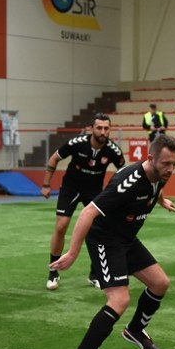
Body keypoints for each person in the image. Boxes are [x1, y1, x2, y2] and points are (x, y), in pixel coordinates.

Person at [52, 134, 175, 349]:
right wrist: (72, 253)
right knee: (119, 299)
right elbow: (88, 212)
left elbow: (156, 187)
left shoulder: (159, 175)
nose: (170, 169)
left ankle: (135, 330)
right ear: (150, 158)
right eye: (166, 163)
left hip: (126, 239)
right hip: (105, 239)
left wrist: (162, 201)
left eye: (174, 163)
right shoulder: (129, 181)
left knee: (160, 283)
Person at [41, 114, 126, 291]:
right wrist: (46, 184)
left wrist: (118, 195)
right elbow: (54, 158)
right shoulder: (76, 143)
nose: (103, 132)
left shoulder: (114, 151)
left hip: (94, 192)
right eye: (99, 128)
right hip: (71, 188)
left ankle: (94, 274)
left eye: (106, 128)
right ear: (91, 129)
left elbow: (123, 173)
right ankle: (53, 272)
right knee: (61, 226)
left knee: (98, 231)